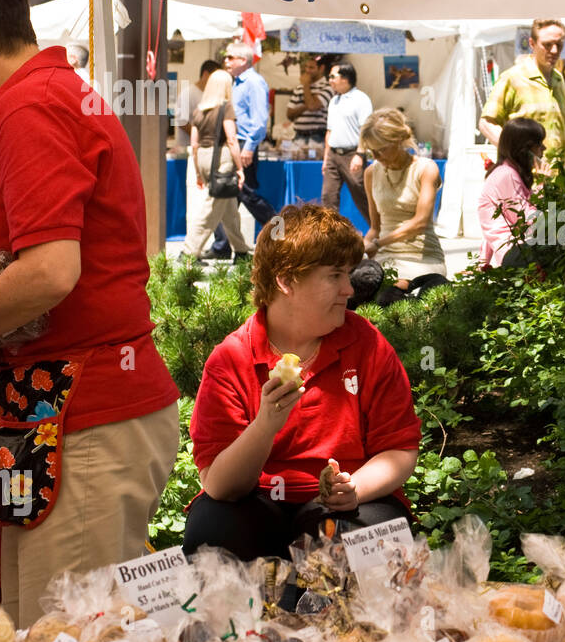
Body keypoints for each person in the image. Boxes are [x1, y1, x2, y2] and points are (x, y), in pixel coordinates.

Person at [0, 0, 179, 627]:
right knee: (62, 637)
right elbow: (19, 270)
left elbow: (48, 271)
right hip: (78, 417)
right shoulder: (46, 94)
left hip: (83, 421)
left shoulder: (31, 108)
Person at [184, 204, 420, 560]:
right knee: (212, 532)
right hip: (255, 501)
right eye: (334, 276)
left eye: (348, 274)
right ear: (286, 280)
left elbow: (400, 449)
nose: (349, 290)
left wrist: (355, 488)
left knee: (368, 542)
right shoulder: (231, 358)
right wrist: (266, 425)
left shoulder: (367, 344)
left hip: (345, 507)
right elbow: (219, 486)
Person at [360, 108, 448, 304]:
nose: (376, 156)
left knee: (394, 297)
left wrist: (376, 244)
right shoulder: (371, 173)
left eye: (381, 149)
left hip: (422, 256)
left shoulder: (426, 168)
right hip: (385, 255)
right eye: (371, 151)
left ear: (398, 140)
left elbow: (420, 222)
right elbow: (375, 228)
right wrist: (362, 248)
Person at [208, 42, 277, 260]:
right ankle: (224, 245)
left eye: (230, 57)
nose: (226, 61)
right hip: (233, 145)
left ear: (243, 60)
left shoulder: (254, 82)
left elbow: (259, 120)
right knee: (228, 196)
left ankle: (280, 231)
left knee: (245, 193)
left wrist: (249, 147)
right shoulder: (236, 82)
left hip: (243, 144)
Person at [180, 68, 253, 260]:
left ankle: (241, 250)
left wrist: (197, 171)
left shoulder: (199, 111)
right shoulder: (226, 108)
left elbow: (194, 144)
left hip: (203, 159)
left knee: (228, 208)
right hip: (221, 158)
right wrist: (239, 168)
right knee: (211, 208)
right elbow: (231, 139)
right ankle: (189, 252)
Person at [479, 18, 565, 162]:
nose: (554, 50)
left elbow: (563, 128)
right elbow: (486, 124)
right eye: (547, 45)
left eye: (559, 44)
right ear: (532, 43)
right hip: (524, 179)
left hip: (556, 180)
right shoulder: (513, 78)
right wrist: (519, 157)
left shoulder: (559, 80)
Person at [478, 118, 544, 269]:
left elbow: (492, 223)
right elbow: (528, 221)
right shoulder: (507, 175)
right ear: (524, 149)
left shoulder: (508, 172)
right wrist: (542, 187)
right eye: (538, 144)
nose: (543, 149)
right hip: (514, 252)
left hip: (514, 249)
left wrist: (483, 263)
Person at [322, 61, 372, 216]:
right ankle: (330, 236)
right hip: (333, 155)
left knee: (361, 195)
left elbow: (365, 129)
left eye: (332, 76)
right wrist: (326, 157)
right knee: (328, 196)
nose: (329, 80)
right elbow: (329, 131)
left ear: (345, 78)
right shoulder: (334, 101)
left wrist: (360, 154)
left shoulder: (361, 99)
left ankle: (379, 231)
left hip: (352, 154)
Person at [286, 53, 332, 147]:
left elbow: (312, 106)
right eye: (306, 67)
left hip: (317, 138)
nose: (307, 71)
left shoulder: (328, 87)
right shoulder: (299, 88)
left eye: (311, 68)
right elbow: (290, 114)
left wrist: (306, 85)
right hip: (298, 137)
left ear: (321, 68)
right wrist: (307, 103)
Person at [175, 58, 220, 132]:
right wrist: (198, 137)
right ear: (206, 74)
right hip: (188, 143)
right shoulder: (187, 94)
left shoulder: (213, 94)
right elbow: (181, 122)